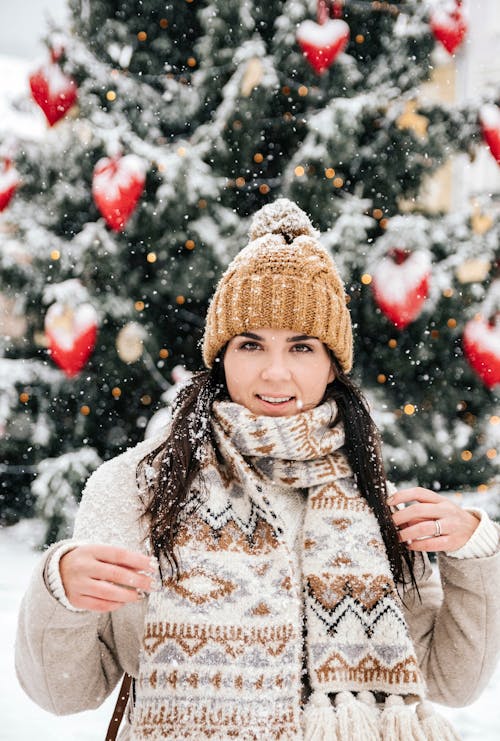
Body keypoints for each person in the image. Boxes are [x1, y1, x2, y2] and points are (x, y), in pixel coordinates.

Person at [16, 199, 500, 741]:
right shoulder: (137, 487)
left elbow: (450, 682)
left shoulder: (370, 496)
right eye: (251, 344)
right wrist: (57, 590)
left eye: (301, 347)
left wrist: (473, 554)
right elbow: (64, 692)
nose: (276, 372)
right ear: (220, 355)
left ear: (331, 364)